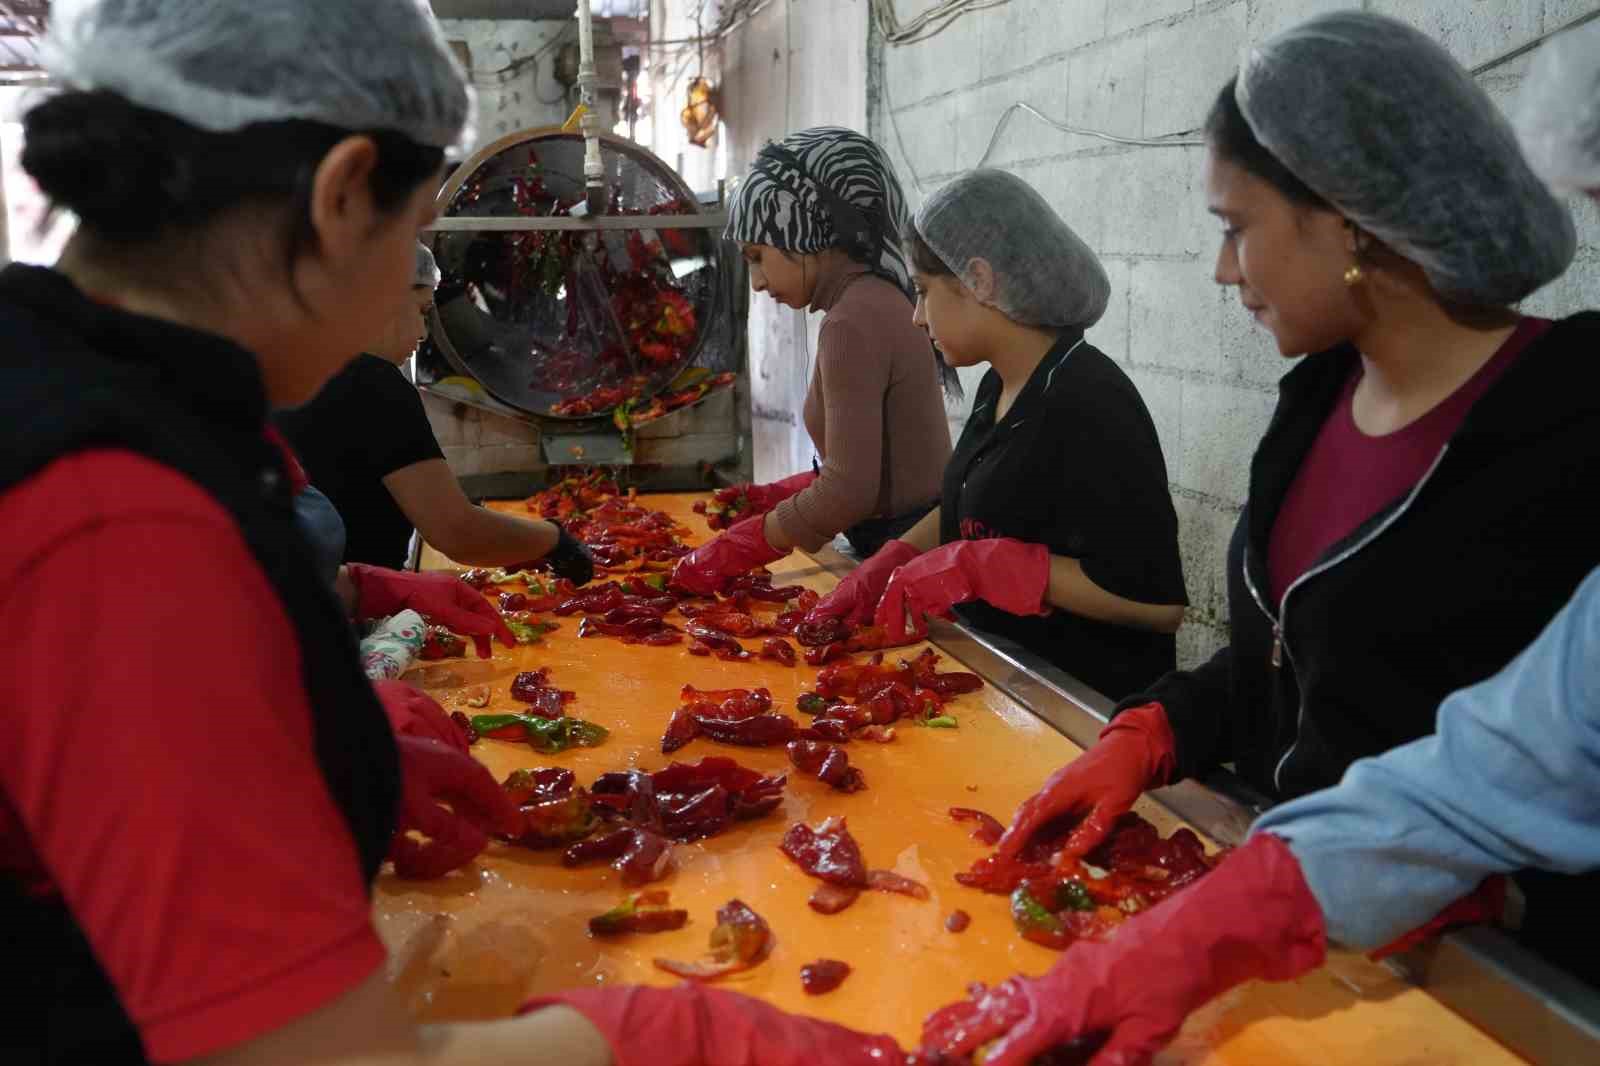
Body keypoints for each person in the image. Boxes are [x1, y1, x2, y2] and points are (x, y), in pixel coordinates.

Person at [0, 2, 898, 1064]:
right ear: (339, 199)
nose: (416, 291)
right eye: (417, 235)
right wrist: (669, 1031)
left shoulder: (97, 394)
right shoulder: (119, 509)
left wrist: (325, 746)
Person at [993, 8, 1600, 975]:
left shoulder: (1566, 424)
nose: (1223, 269)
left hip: (1483, 980)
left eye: (1238, 229)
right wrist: (1161, 726)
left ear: (1348, 217)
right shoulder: (1319, 397)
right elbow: (1292, 664)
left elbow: (1543, 757)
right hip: (1295, 913)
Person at [924, 559, 1600, 1066]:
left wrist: (1209, 928)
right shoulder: (1316, 398)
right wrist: (1161, 726)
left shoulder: (1550, 430)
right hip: (1318, 859)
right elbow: (1275, 661)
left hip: (1489, 950)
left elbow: (1520, 765)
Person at [809, 169, 1188, 700]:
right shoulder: (998, 382)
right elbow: (969, 501)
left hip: (1081, 701)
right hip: (1010, 679)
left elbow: (1159, 606)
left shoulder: (1089, 400)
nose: (917, 317)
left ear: (980, 280)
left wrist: (991, 566)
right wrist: (891, 559)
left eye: (922, 292)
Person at [671, 126, 953, 590]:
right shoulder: (873, 301)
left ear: (805, 230)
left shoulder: (851, 322)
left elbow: (848, 491)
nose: (757, 282)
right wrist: (782, 494)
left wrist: (738, 547)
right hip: (902, 542)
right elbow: (869, 466)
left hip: (904, 553)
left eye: (758, 255)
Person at [277, 242, 592, 581]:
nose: (423, 333)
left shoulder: (294, 369)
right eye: (422, 311)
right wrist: (555, 539)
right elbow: (456, 532)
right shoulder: (373, 384)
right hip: (351, 608)